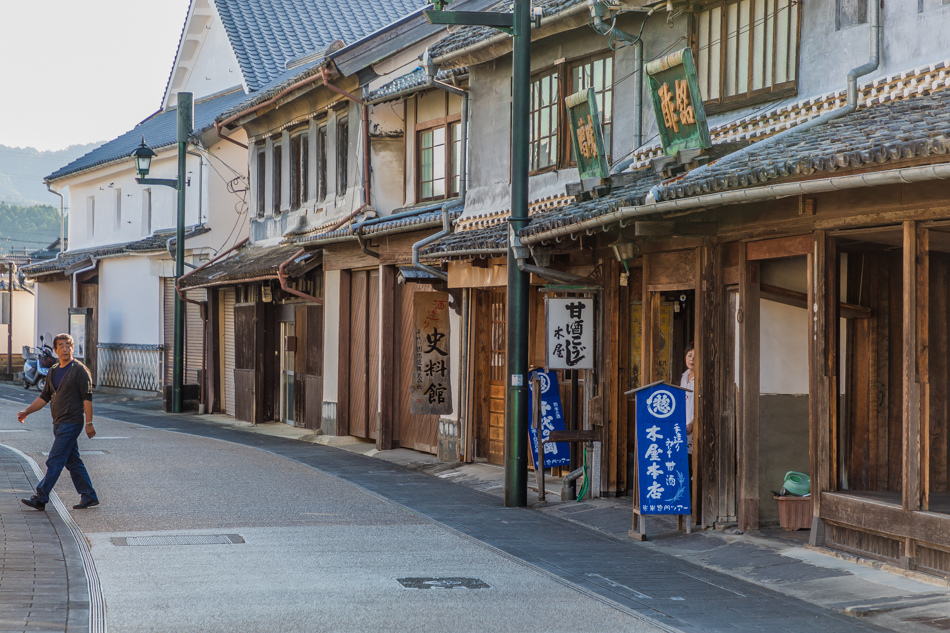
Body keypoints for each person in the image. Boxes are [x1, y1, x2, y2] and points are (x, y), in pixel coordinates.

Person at [18, 333, 99, 511]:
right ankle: (89, 496)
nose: (65, 349)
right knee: (73, 462)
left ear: (72, 348)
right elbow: (44, 397)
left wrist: (89, 423)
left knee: (54, 460)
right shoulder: (54, 370)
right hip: (58, 422)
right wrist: (27, 411)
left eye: (68, 345)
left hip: (72, 423)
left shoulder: (79, 370)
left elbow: (87, 399)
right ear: (55, 350)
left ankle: (41, 497)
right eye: (61, 346)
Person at [679, 343, 695, 468]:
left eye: (695, 356)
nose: (692, 359)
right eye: (689, 356)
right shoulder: (684, 377)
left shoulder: (701, 378)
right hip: (683, 425)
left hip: (695, 424)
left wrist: (692, 423)